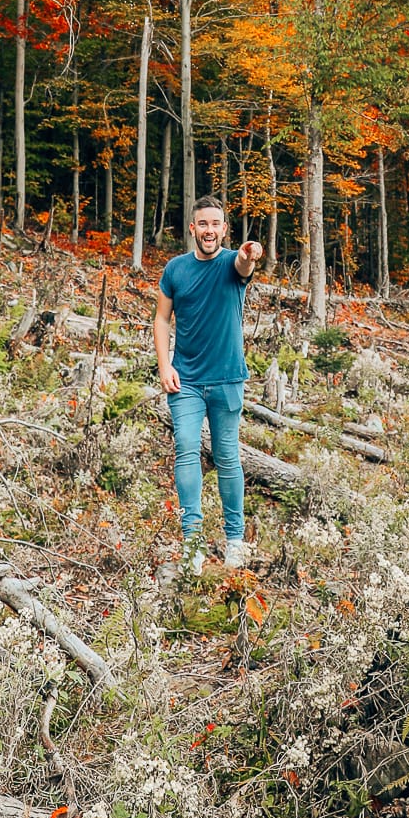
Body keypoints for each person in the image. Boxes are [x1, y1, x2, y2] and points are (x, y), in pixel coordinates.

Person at [155, 195, 263, 572]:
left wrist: (250, 253)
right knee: (186, 447)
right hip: (185, 379)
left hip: (228, 380)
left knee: (227, 457)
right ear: (193, 228)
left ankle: (235, 540)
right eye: (203, 224)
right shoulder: (175, 269)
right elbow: (162, 320)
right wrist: (164, 364)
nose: (209, 230)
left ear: (224, 230)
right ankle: (193, 543)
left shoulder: (232, 266)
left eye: (216, 224)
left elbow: (244, 263)